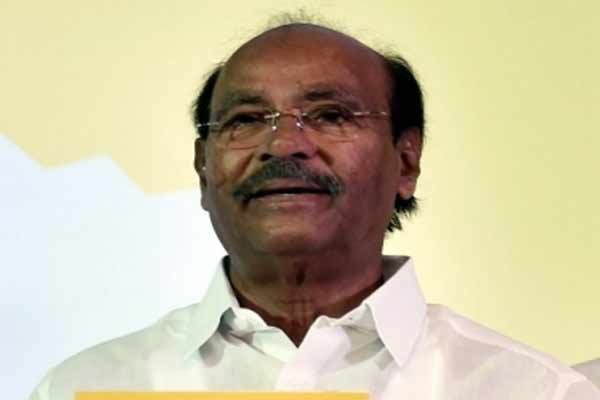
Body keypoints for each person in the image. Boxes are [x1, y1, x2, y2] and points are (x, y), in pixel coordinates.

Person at [29, 19, 600, 400]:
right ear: (203, 168)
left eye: (330, 115)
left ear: (406, 162)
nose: (283, 144)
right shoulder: (79, 388)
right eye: (246, 120)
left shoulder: (533, 391)